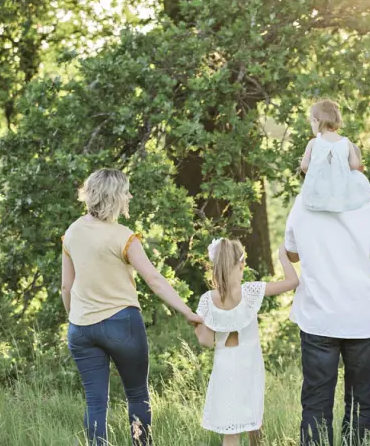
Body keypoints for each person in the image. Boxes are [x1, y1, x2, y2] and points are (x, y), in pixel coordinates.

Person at [284, 142, 370, 446]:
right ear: (360, 168)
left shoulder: (303, 204)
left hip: (318, 319)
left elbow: (291, 253)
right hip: (361, 320)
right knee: (360, 403)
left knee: (316, 404)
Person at [61, 168, 202, 446]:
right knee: (137, 395)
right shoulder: (123, 236)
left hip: (81, 329)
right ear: (114, 196)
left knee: (95, 402)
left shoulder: (72, 233)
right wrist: (187, 312)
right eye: (126, 192)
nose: (130, 196)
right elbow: (154, 280)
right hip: (121, 324)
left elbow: (66, 286)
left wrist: (74, 320)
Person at [194, 239, 300, 446]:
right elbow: (292, 282)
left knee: (231, 432)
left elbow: (206, 342)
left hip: (224, 367)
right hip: (249, 365)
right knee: (253, 419)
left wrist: (197, 323)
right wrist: (282, 257)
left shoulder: (207, 300)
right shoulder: (250, 292)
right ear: (241, 265)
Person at [299, 99, 370, 212]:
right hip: (340, 188)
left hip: (320, 186)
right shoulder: (346, 142)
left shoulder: (313, 143)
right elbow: (354, 164)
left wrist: (315, 174)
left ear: (315, 121)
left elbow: (304, 166)